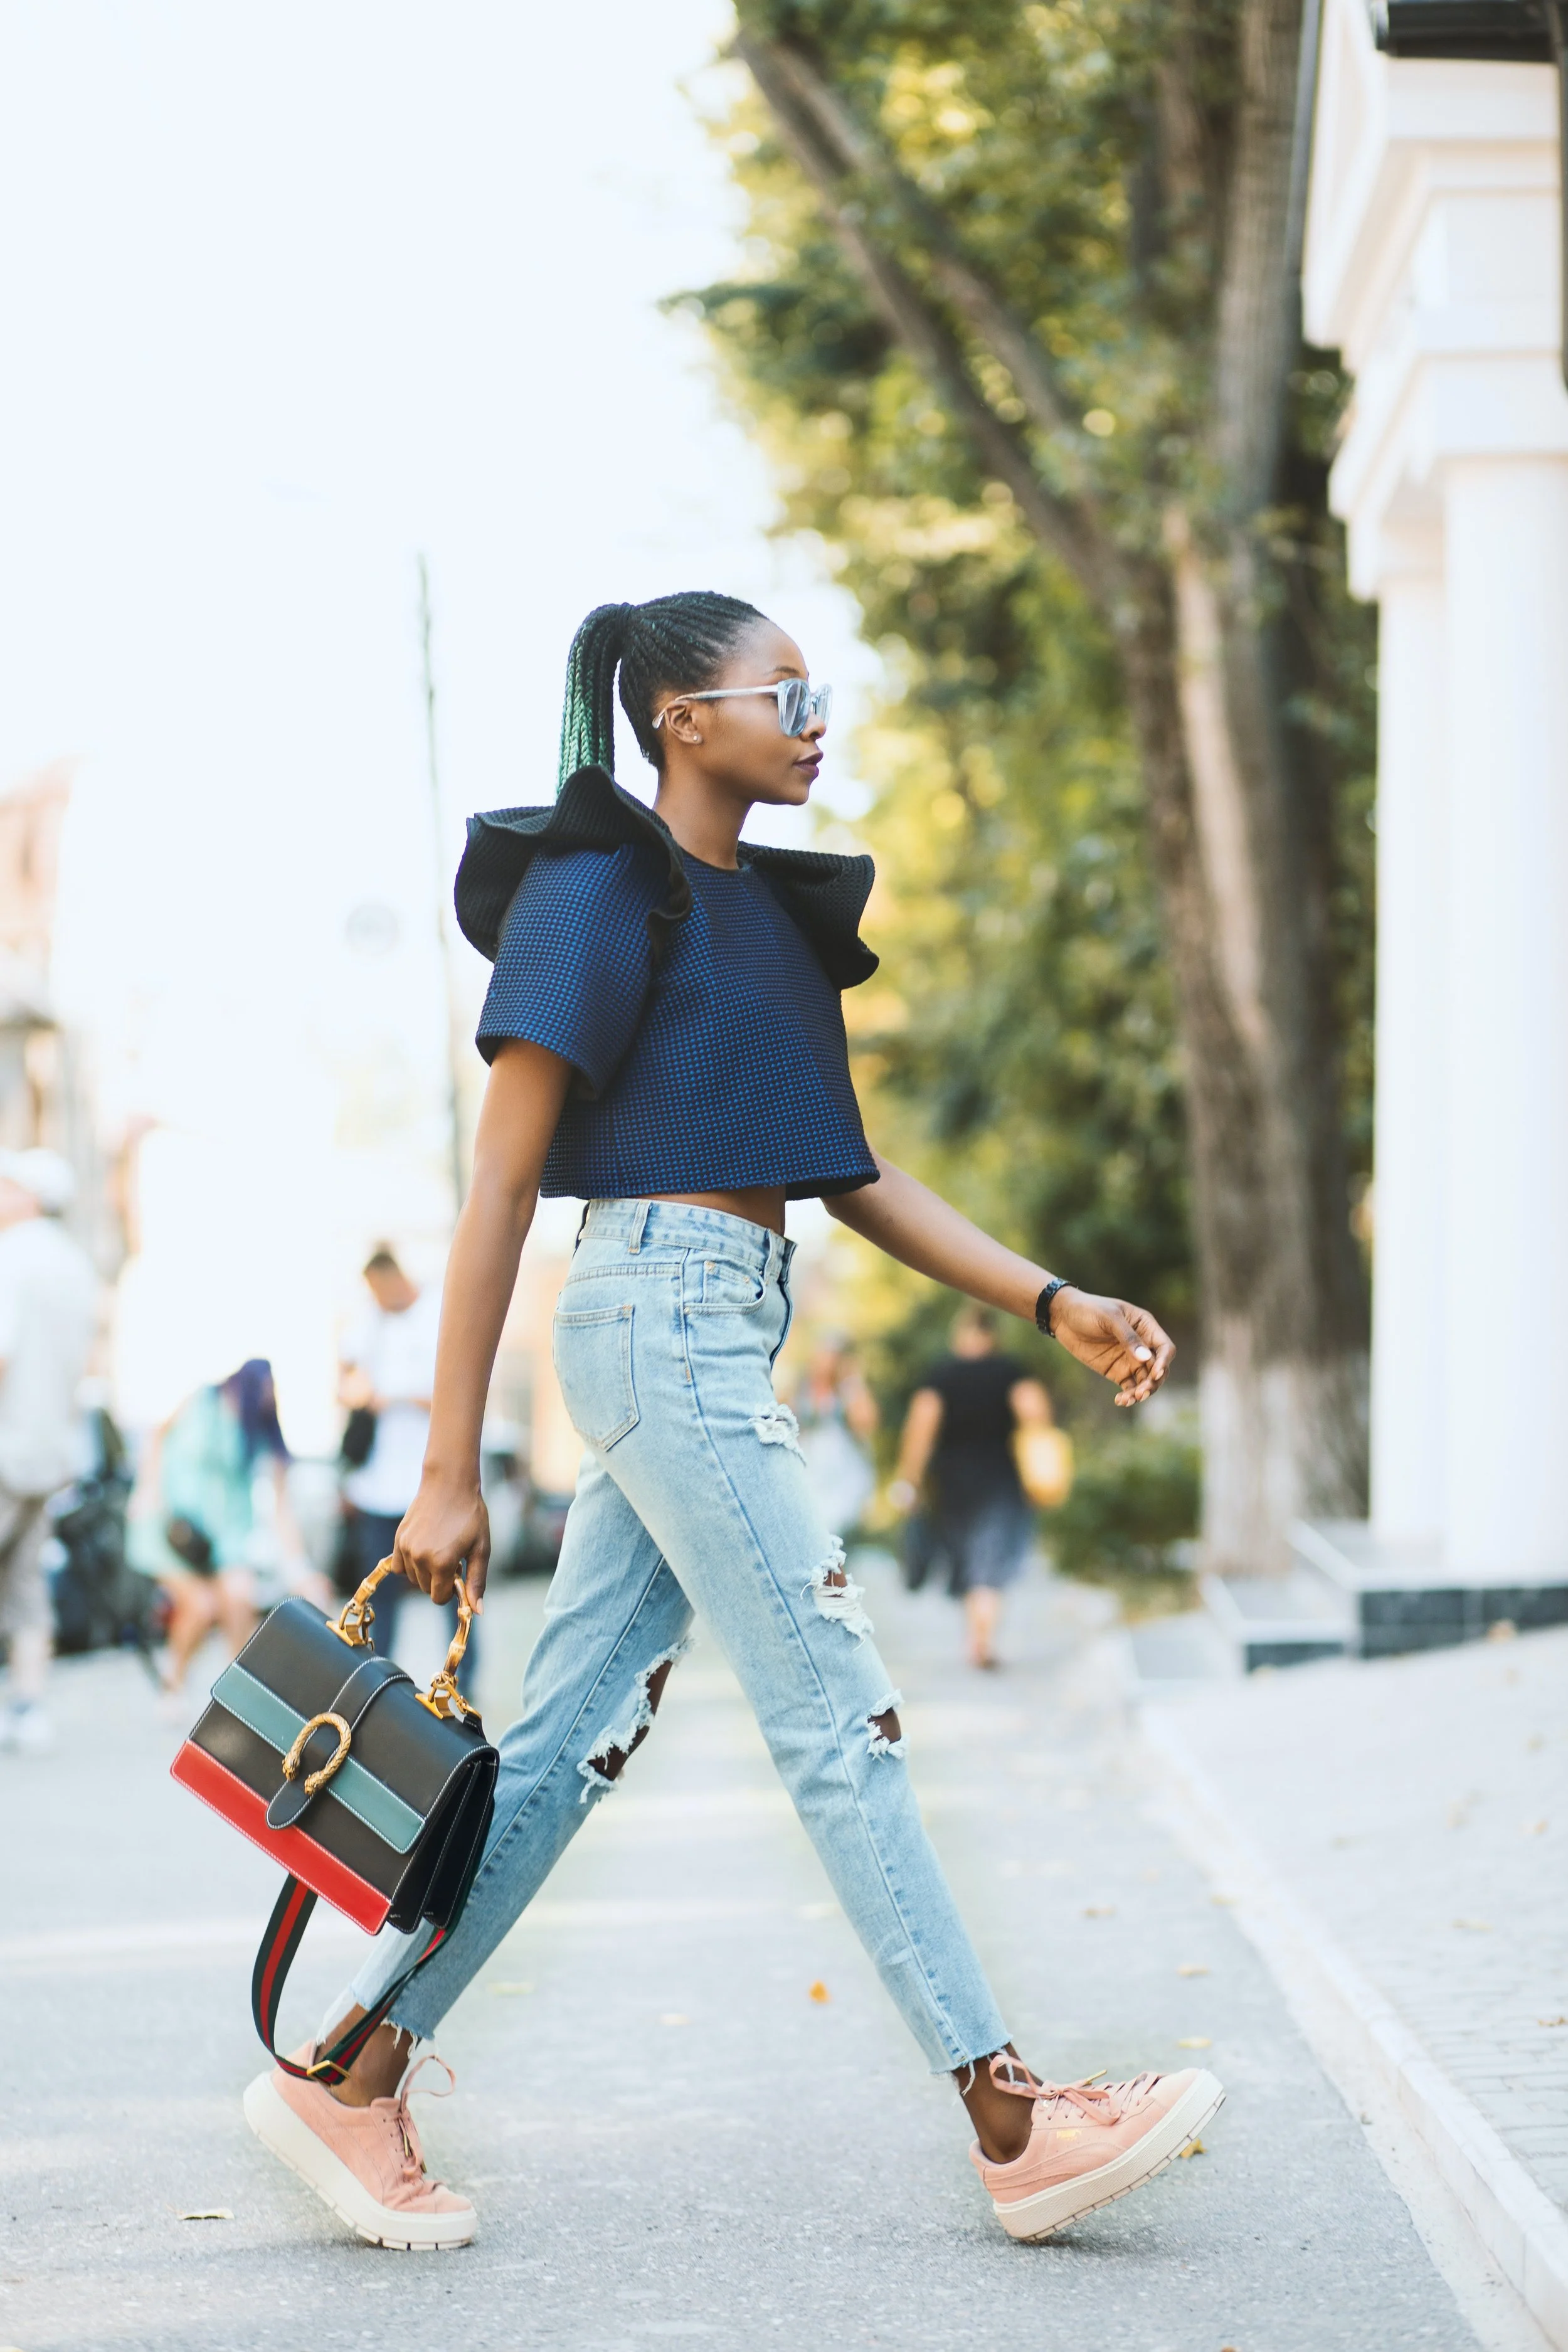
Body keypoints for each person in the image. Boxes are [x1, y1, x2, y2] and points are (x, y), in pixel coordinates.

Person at [242, 591, 1217, 2255]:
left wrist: (1051, 1299)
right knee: (837, 1709)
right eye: (786, 690)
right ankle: (1007, 2113)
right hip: (650, 1319)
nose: (816, 714)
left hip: (721, 1329)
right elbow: (498, 1180)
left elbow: (847, 1172)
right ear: (682, 717)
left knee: (561, 1750)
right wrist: (444, 1462)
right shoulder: (596, 885)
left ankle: (351, 2070)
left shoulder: (769, 917)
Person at [337, 1247, 474, 1695]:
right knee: (380, 1594)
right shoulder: (369, 1323)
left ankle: (459, 1684)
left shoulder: (438, 1313)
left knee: (447, 1593)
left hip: (430, 1486)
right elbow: (343, 1379)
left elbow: (457, 1393)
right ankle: (377, 1682)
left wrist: (393, 1396)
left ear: (396, 1278)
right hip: (376, 1486)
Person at [891, 1304, 1056, 1670]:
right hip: (1001, 1478)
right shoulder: (1010, 1371)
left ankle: (976, 1637)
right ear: (993, 1336)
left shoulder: (942, 1375)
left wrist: (910, 1479)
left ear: (961, 1334)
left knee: (967, 1558)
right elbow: (1036, 1414)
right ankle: (982, 1640)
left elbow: (921, 1428)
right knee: (991, 1563)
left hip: (952, 1484)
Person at [0, 1149, 99, 1752]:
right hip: (49, 1452)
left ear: (31, 1196)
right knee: (25, 1581)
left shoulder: (13, 1256)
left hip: (5, 1444)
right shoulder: (75, 1264)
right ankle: (28, 1706)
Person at [130, 1358, 295, 1693]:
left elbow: (282, 1503)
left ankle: (238, 1691)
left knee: (239, 1597)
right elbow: (157, 1434)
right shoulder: (201, 1400)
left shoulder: (259, 1427)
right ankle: (173, 1682)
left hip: (225, 1537)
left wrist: (298, 1566)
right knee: (201, 1607)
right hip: (173, 1529)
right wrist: (149, 1488)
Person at [790, 1329, 877, 1538]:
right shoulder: (800, 1388)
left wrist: (851, 1381)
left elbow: (866, 1422)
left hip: (842, 1475)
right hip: (809, 1471)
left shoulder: (848, 1389)